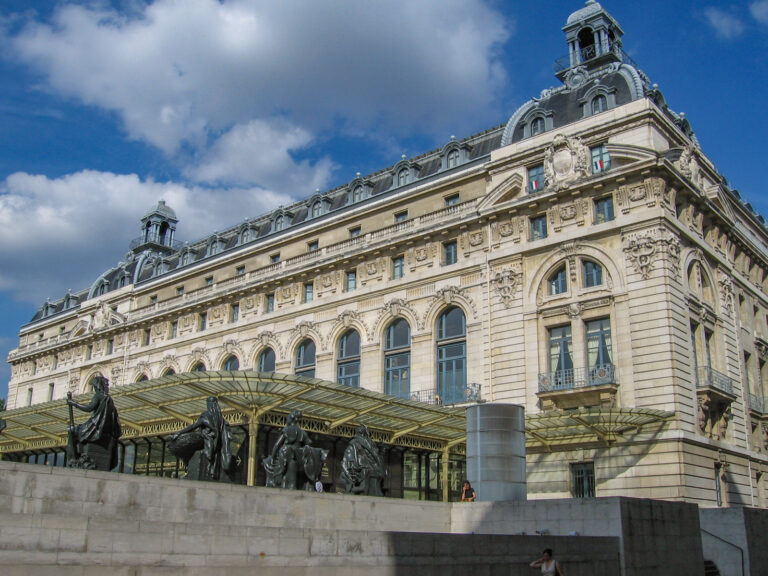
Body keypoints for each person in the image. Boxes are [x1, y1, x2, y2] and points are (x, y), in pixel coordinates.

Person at [169, 396, 232, 481]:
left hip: (209, 441)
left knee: (207, 455)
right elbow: (194, 426)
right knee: (206, 454)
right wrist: (180, 433)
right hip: (209, 441)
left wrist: (179, 433)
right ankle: (207, 470)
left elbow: (194, 426)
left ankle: (209, 470)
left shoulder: (213, 418)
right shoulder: (217, 419)